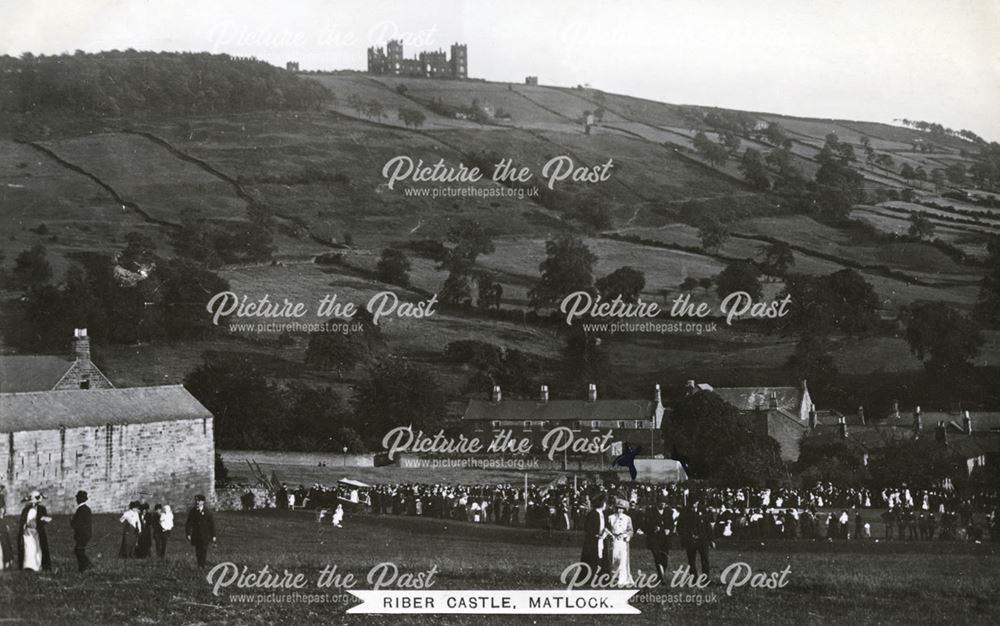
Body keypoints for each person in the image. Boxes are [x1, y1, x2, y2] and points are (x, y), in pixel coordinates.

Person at [678, 499, 713, 579]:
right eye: (692, 502)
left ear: (698, 502)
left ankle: (706, 579)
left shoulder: (703, 511)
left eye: (695, 501)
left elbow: (708, 526)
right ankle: (693, 578)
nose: (694, 504)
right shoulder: (685, 513)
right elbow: (680, 527)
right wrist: (685, 538)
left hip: (702, 540)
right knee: (691, 560)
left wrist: (711, 539)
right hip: (690, 540)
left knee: (705, 559)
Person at [18, 490, 52, 571]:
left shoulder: (41, 509)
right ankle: (28, 565)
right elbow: (23, 520)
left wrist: (43, 519)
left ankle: (37, 565)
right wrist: (24, 528)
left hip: (37, 532)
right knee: (28, 548)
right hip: (27, 532)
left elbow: (43, 518)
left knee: (37, 548)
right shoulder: (26, 509)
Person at [643, 501, 674, 585]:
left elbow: (671, 524)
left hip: (665, 539)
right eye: (661, 503)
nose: (663, 505)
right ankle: (661, 578)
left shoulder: (668, 512)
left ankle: (661, 576)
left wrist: (669, 530)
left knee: (665, 559)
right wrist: (653, 528)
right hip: (654, 539)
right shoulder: (650, 511)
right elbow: (645, 525)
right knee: (658, 557)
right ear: (657, 503)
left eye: (665, 503)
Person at [580, 494, 609, 580]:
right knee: (592, 559)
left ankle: (601, 577)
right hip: (592, 541)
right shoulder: (593, 513)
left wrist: (605, 532)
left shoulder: (603, 514)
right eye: (604, 503)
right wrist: (595, 535)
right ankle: (589, 577)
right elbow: (587, 527)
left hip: (601, 540)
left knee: (602, 559)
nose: (605, 505)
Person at [607, 499, 634, 587]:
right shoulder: (610, 517)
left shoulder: (627, 518)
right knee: (613, 559)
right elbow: (607, 529)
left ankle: (622, 579)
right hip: (613, 541)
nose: (619, 510)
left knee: (622, 560)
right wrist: (610, 535)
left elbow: (630, 530)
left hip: (623, 541)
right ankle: (614, 578)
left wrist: (626, 535)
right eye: (618, 508)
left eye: (621, 508)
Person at [185, 494, 216, 567]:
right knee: (198, 550)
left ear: (203, 502)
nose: (197, 502)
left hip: (205, 535)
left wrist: (213, 535)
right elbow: (188, 523)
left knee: (204, 550)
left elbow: (212, 524)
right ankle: (200, 564)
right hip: (196, 534)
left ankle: (202, 564)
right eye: (196, 500)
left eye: (199, 501)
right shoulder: (192, 511)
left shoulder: (207, 512)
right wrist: (188, 533)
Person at [70, 490, 93, 572]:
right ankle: (85, 566)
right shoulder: (86, 509)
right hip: (86, 533)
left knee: (78, 550)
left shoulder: (81, 509)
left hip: (82, 534)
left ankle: (85, 566)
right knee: (79, 550)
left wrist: (72, 521)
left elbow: (77, 523)